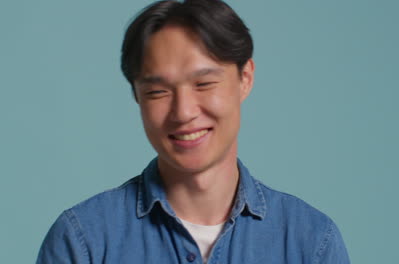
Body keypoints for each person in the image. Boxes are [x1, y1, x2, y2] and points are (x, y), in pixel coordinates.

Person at [36, 0, 350, 263]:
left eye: (204, 84)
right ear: (136, 95)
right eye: (158, 91)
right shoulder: (83, 241)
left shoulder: (311, 242)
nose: (184, 112)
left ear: (245, 79)